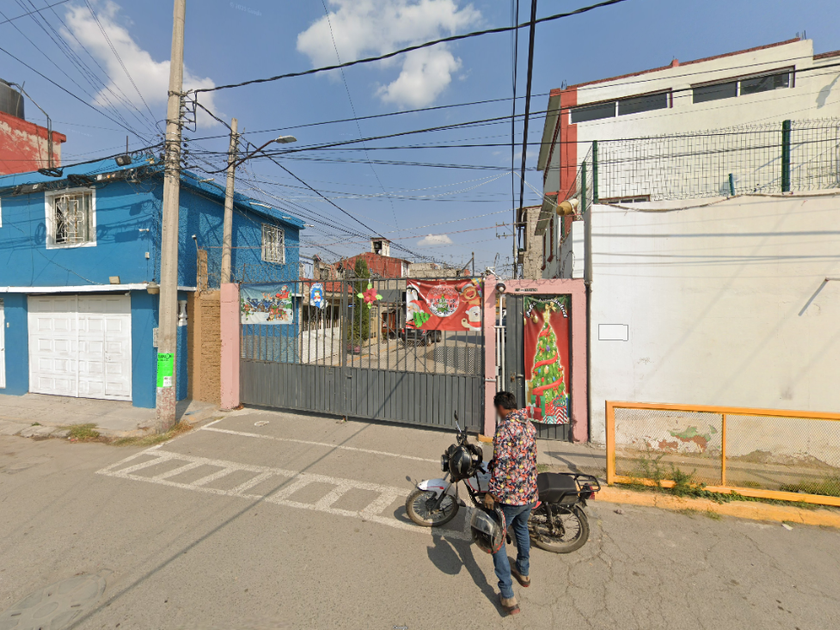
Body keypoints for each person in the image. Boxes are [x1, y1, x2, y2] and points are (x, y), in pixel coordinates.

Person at [484, 391, 537, 616]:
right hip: (530, 493)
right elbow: (524, 456)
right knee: (522, 528)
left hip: (512, 497)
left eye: (496, 409)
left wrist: (492, 493)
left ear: (500, 408)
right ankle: (523, 571)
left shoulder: (505, 428)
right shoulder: (528, 425)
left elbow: (503, 464)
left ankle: (507, 595)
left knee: (496, 538)